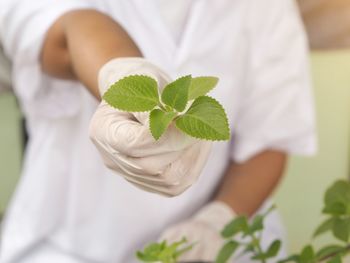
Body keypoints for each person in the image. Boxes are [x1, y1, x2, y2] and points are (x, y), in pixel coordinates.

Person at [0, 0, 316, 262]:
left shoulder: (266, 8)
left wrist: (217, 221)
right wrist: (124, 75)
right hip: (72, 244)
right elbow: (70, 33)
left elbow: (268, 140)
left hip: (217, 241)